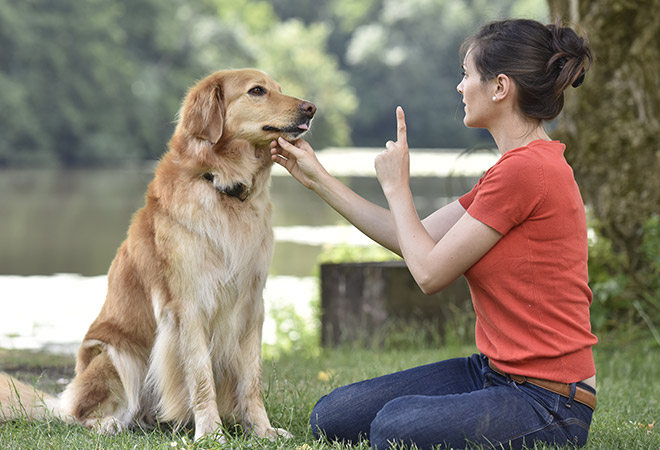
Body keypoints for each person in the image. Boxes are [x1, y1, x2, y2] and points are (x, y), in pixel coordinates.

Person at [270, 18, 596, 450]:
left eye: (467, 74)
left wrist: (397, 188)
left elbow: (427, 273)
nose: (460, 87)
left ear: (500, 87)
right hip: (495, 373)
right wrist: (318, 179)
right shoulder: (512, 169)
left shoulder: (527, 171)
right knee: (333, 416)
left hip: (549, 402)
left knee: (394, 428)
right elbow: (415, 238)